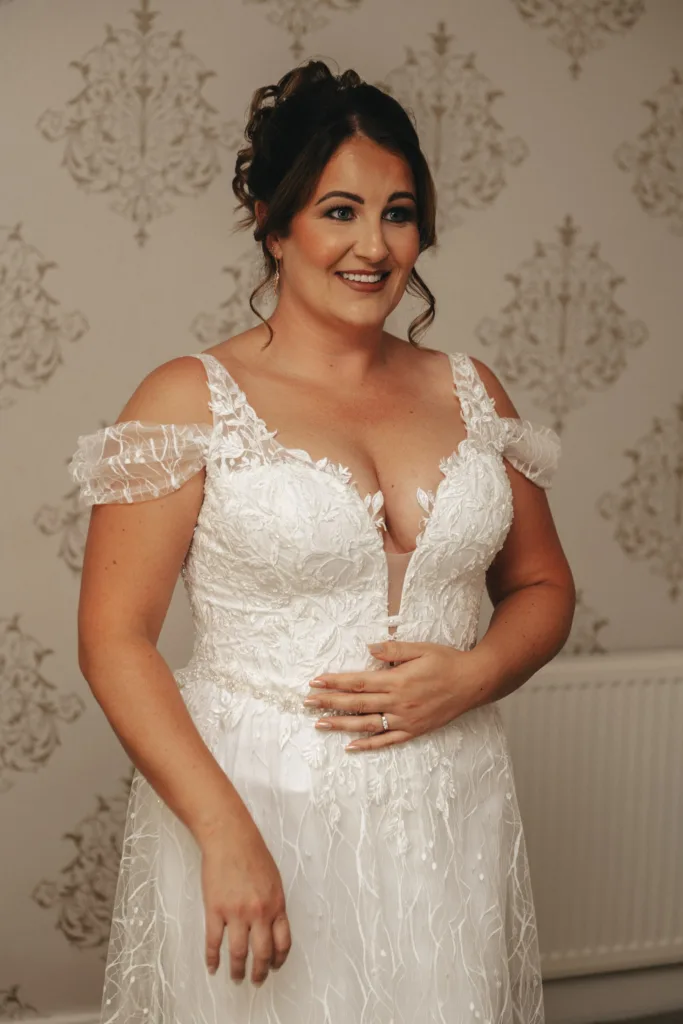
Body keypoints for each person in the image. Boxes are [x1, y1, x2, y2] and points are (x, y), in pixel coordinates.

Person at [69, 60, 575, 1024]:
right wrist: (224, 834)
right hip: (255, 800)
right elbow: (114, 639)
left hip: (445, 806)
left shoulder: (472, 391)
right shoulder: (187, 399)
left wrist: (473, 676)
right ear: (274, 221)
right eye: (339, 210)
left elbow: (544, 584)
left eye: (398, 212)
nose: (373, 245)